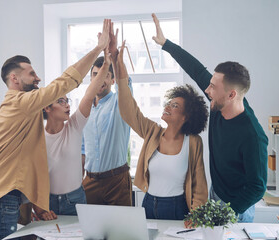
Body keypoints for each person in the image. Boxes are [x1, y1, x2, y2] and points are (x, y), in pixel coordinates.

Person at [0, 19, 111, 239]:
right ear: (14, 78)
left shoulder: (12, 114)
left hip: (2, 199)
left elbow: (21, 165)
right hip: (1, 200)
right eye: (31, 74)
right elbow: (64, 82)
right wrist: (97, 49)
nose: (38, 78)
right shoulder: (20, 103)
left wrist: (36, 203)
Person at [151, 13, 268, 222]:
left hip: (238, 207)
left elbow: (257, 187)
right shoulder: (218, 102)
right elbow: (196, 70)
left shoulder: (253, 136)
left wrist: (227, 214)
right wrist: (166, 44)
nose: (207, 89)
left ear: (231, 95)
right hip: (216, 193)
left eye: (213, 87)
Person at [116, 41, 209, 220]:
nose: (167, 107)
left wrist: (197, 217)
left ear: (186, 116)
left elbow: (199, 185)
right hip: (149, 204)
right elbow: (129, 111)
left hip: (177, 207)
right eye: (169, 103)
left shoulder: (194, 142)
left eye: (174, 106)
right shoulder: (153, 132)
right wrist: (120, 68)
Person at [37, 48, 112, 218]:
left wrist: (106, 65)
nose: (67, 105)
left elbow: (89, 94)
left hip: (75, 199)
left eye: (67, 100)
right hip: (48, 202)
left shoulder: (74, 126)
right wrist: (38, 209)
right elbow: (33, 176)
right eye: (61, 101)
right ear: (47, 108)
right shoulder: (38, 137)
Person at [81, 24, 133, 206]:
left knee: (120, 233)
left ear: (112, 79)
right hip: (89, 182)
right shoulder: (84, 109)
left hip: (116, 181)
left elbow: (124, 85)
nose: (99, 79)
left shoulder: (119, 103)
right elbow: (82, 150)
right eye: (95, 75)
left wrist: (114, 56)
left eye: (104, 75)